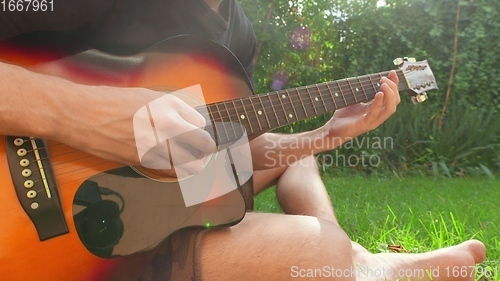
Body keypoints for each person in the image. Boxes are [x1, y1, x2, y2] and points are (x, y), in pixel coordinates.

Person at [0, 0, 485, 280]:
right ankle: (350, 265)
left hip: (135, 201)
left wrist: (326, 135)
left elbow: (218, 147)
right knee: (314, 253)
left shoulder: (239, 31)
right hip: (35, 231)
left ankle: (356, 261)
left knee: (300, 157)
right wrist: (79, 113)